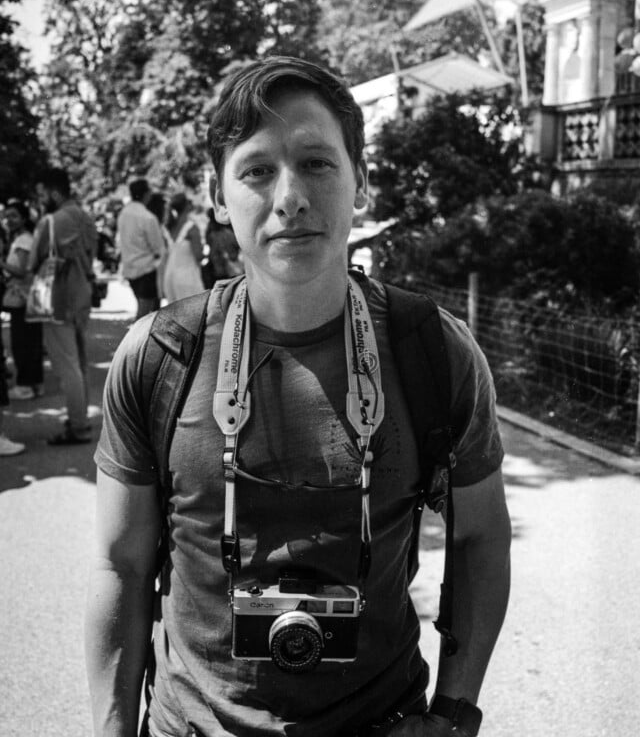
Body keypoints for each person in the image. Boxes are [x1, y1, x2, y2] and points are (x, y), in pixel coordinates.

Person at [87, 57, 511, 737]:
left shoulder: (435, 353)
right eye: (256, 170)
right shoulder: (159, 356)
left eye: (317, 162)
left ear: (361, 181)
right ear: (217, 194)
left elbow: (482, 538)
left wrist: (455, 715)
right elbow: (122, 563)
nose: (289, 196)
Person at [30, 167, 97, 445]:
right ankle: (79, 419)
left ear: (54, 192)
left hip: (57, 296)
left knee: (67, 365)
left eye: (42, 193)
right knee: (78, 362)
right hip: (82, 292)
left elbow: (33, 261)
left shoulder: (52, 221)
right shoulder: (86, 217)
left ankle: (78, 426)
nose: (40, 199)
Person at [1, 199, 44, 400]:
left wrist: (1, 264)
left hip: (23, 298)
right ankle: (34, 384)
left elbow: (23, 270)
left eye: (14, 216)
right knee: (30, 341)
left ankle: (26, 385)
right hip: (27, 297)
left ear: (24, 218)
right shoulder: (22, 238)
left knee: (22, 343)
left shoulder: (24, 240)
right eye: (7, 215)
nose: (9, 220)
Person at [117, 178, 166, 319]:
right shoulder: (147, 217)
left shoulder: (123, 214)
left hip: (130, 267)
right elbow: (158, 247)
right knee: (145, 314)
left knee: (142, 310)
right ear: (146, 194)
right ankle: (138, 340)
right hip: (146, 269)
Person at [162, 191, 205, 303]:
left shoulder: (168, 228)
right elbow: (198, 255)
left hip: (169, 277)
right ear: (187, 206)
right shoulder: (191, 227)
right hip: (188, 277)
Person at [202, 206, 243, 287]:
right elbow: (236, 244)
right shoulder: (225, 232)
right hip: (232, 266)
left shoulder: (209, 232)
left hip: (218, 269)